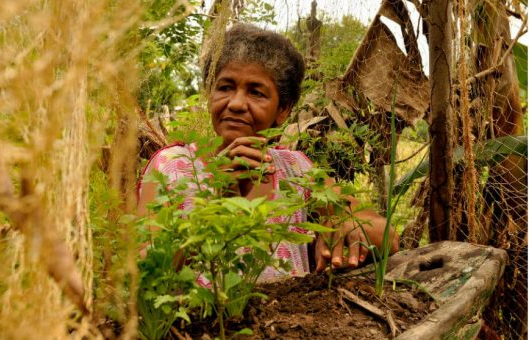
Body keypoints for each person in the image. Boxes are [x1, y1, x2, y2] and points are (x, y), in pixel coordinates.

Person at [137, 23, 398, 281]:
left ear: (282, 110)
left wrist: (348, 226)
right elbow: (145, 270)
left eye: (256, 92)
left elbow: (386, 236)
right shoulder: (172, 167)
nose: (236, 103)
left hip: (289, 322)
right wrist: (219, 201)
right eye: (225, 87)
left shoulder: (296, 171)